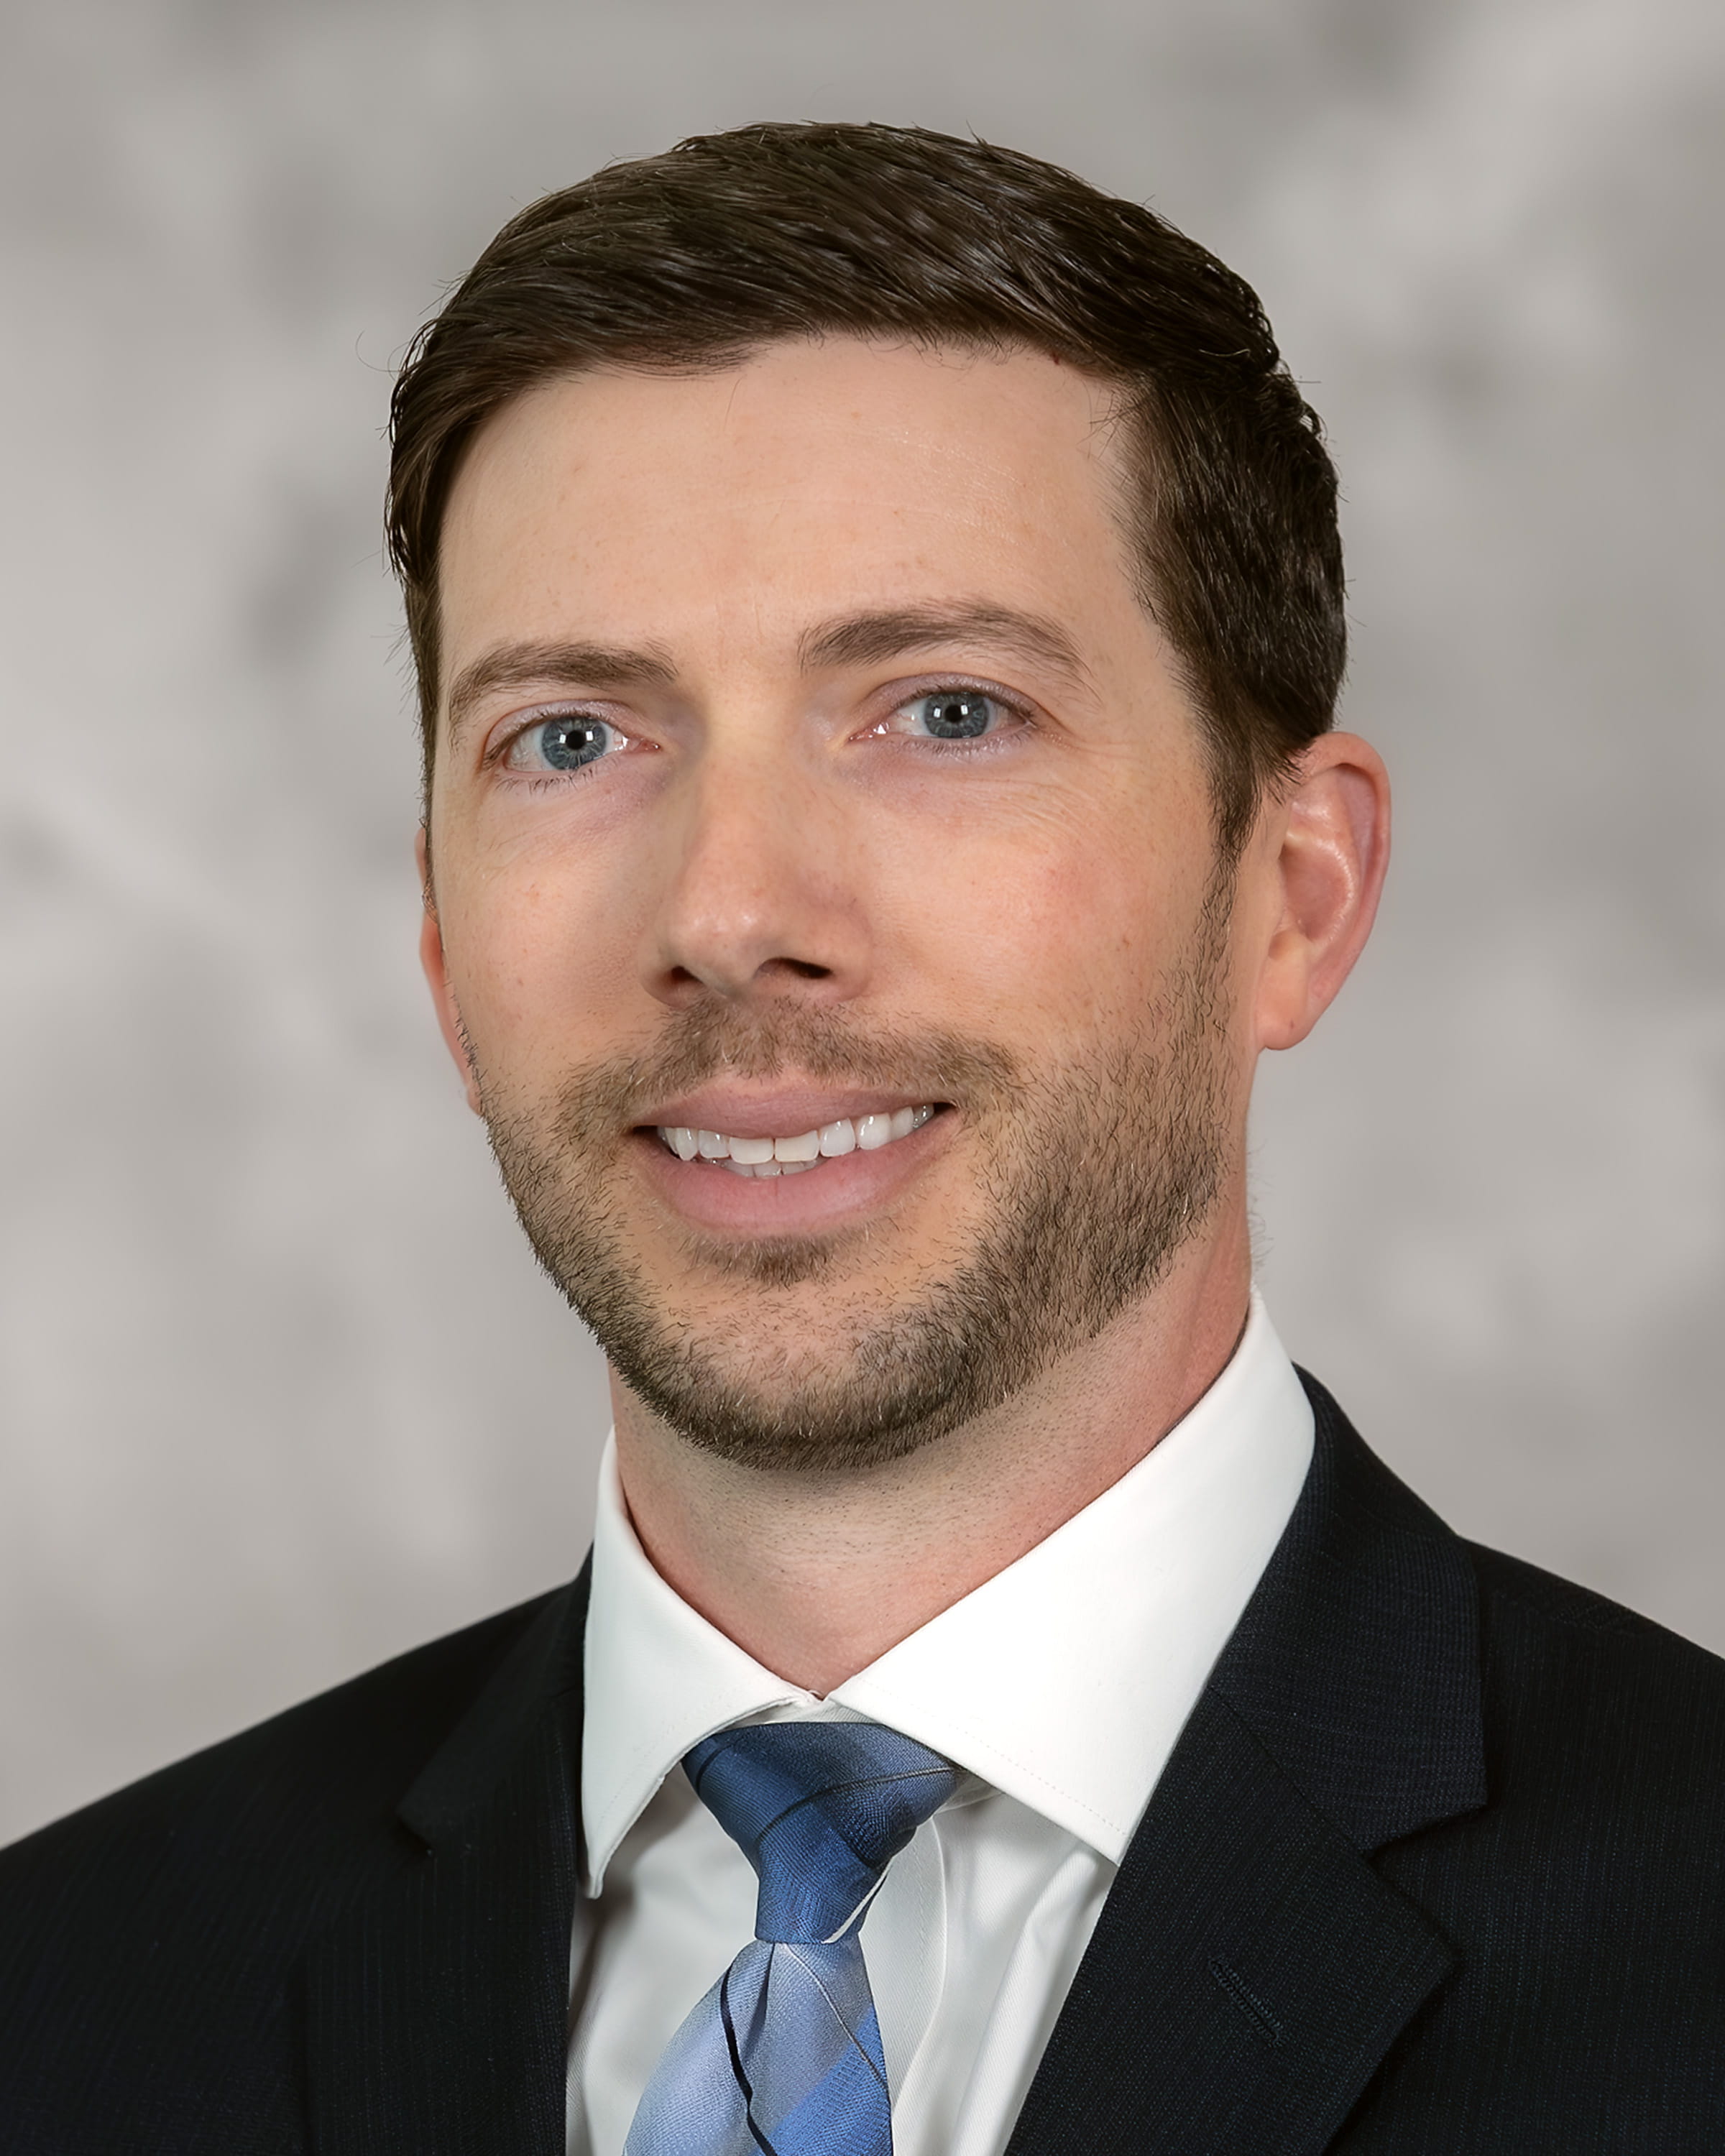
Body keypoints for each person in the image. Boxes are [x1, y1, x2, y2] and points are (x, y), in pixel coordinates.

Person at [1, 119, 1721, 2155]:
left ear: (1295, 894)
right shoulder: (62, 2005)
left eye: (945, 713)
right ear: (449, 953)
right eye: (573, 739)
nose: (732, 910)